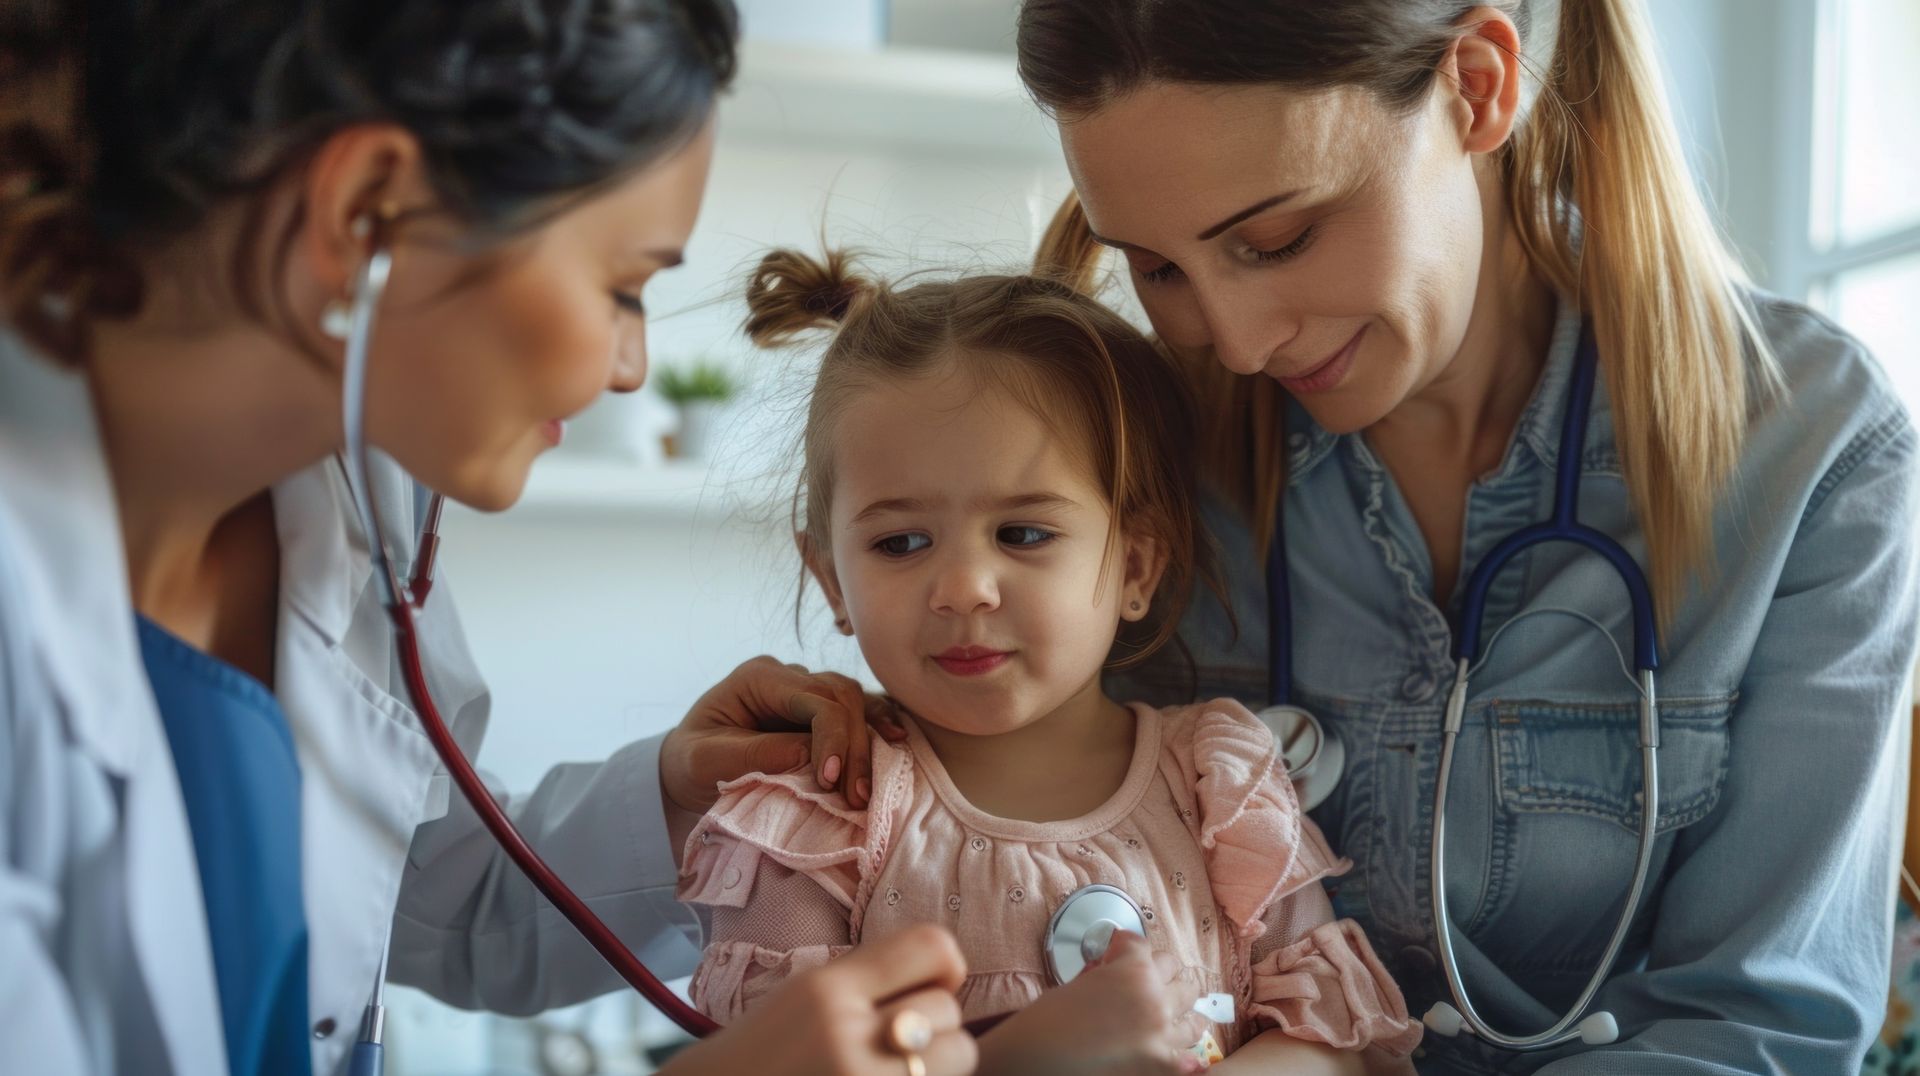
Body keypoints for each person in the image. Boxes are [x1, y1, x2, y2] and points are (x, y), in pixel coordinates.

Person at [0, 2, 1033, 1073]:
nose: (631, 368)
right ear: (365, 214)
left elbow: (403, 882)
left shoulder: (353, 505)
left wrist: (681, 799)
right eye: (624, 286)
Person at [1010, 0, 1920, 1072]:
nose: (1238, 344)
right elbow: (993, 851)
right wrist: (838, 750)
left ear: (1478, 85)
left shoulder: (1813, 444)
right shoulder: (1126, 460)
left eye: (1277, 238)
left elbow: (1759, 1025)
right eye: (1157, 269)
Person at [674, 246, 1426, 1072]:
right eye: (901, 542)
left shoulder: (1221, 787)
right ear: (832, 581)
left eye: (1023, 534)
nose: (963, 588)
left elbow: (1329, 1041)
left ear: (1137, 566)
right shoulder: (817, 827)